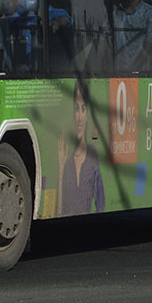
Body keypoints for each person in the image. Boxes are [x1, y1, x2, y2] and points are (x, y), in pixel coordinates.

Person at [56, 76, 105, 215]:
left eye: (84, 109)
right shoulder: (67, 159)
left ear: (88, 114)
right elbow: (59, 214)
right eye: (76, 109)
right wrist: (61, 167)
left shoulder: (93, 155)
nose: (79, 118)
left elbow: (100, 206)